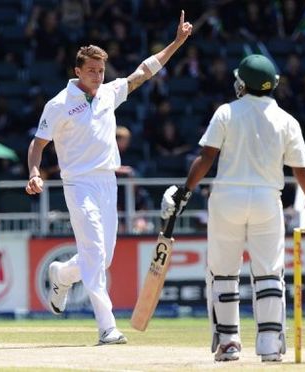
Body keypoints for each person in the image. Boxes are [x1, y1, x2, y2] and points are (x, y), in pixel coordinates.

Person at [25, 11, 193, 345]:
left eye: (101, 71)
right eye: (91, 71)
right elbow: (38, 144)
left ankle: (61, 273)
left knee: (102, 258)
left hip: (107, 183)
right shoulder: (58, 104)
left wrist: (176, 43)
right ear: (77, 71)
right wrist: (33, 171)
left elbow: (143, 72)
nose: (98, 77)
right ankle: (107, 326)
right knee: (94, 255)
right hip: (78, 185)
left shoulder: (108, 93)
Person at [160, 54, 305, 362]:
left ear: (242, 83)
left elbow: (206, 158)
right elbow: (302, 171)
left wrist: (186, 192)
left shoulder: (226, 112)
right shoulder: (287, 120)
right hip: (268, 199)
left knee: (223, 271)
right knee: (269, 272)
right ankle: (269, 344)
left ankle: (228, 342)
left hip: (227, 198)